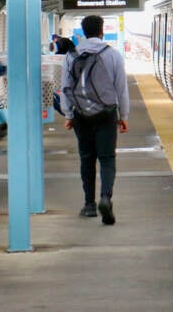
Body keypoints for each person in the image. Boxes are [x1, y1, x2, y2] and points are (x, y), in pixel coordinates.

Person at [61, 15, 129, 225]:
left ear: (83, 32)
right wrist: (123, 116)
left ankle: (89, 205)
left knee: (87, 158)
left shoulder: (71, 55)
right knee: (107, 158)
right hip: (106, 113)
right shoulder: (113, 55)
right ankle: (105, 198)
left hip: (81, 114)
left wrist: (68, 115)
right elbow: (121, 89)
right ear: (101, 31)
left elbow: (66, 86)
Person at [51, 37, 76, 117]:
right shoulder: (75, 56)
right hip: (75, 88)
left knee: (55, 98)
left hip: (63, 86)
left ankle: (69, 115)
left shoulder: (60, 57)